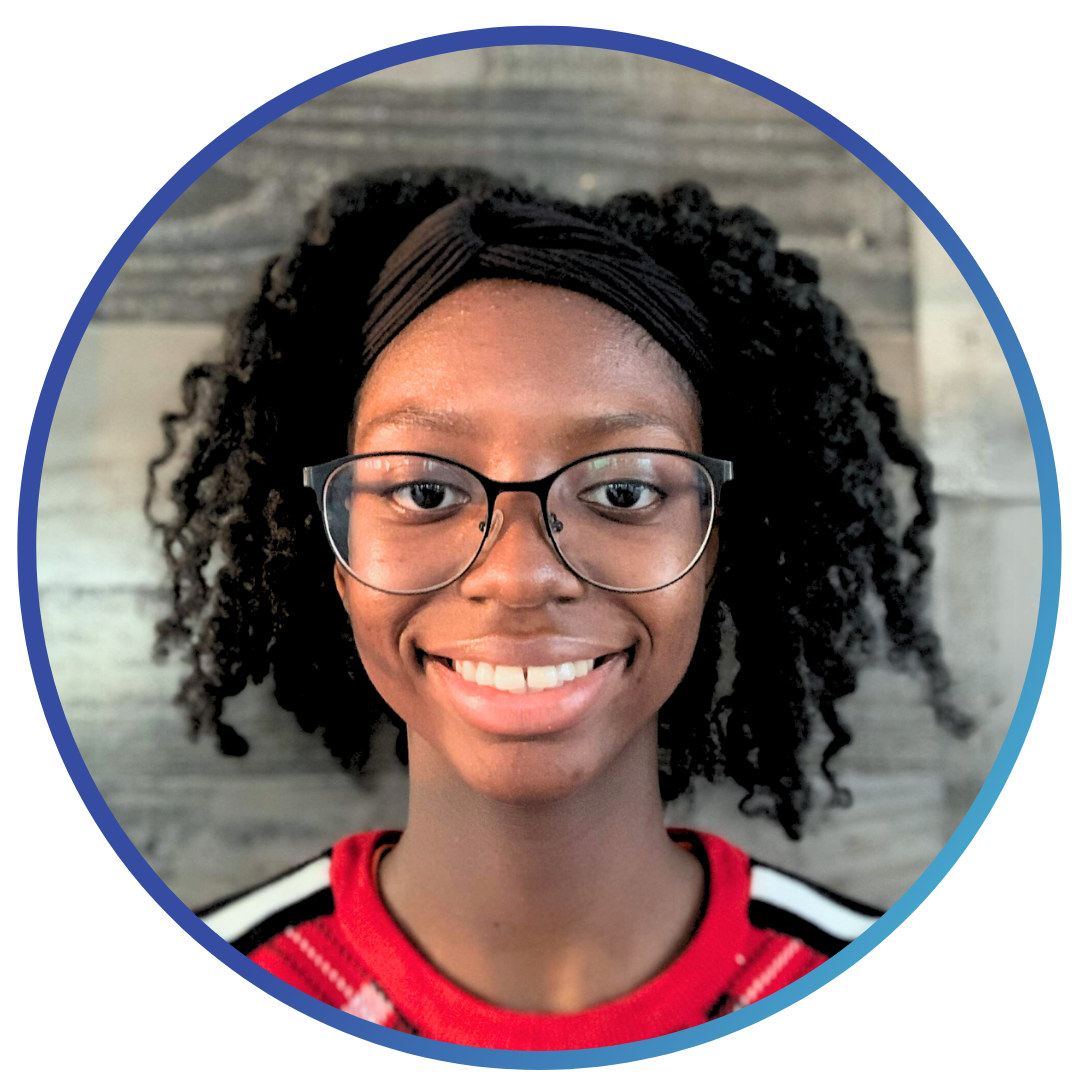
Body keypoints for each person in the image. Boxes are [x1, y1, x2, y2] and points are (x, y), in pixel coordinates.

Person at [148, 166, 969, 1050]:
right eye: (424, 490)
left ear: (715, 547)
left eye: (621, 490)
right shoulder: (175, 1025)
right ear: (338, 553)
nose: (521, 572)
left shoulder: (907, 1026)